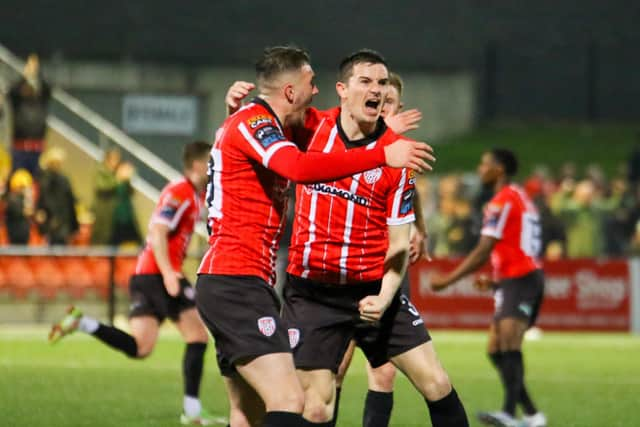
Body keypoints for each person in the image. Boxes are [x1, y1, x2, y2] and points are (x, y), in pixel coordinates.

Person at [195, 46, 434, 427]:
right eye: (311, 83)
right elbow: (299, 168)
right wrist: (380, 155)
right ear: (291, 91)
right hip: (235, 281)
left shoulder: (259, 124)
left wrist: (384, 134)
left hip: (233, 280)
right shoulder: (255, 122)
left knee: (247, 413)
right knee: (290, 399)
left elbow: (332, 131)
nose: (317, 91)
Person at [276, 49, 467, 427]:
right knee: (315, 407)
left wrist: (383, 296)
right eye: (366, 81)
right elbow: (259, 127)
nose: (376, 90)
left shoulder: (399, 160)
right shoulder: (311, 128)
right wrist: (235, 108)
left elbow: (398, 245)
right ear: (342, 90)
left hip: (372, 289)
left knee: (437, 382)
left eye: (381, 83)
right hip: (313, 293)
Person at [48, 141, 226, 426]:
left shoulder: (193, 195)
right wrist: (169, 273)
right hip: (157, 276)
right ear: (196, 165)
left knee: (141, 348)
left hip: (145, 277)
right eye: (209, 162)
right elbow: (156, 231)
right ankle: (192, 412)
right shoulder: (180, 192)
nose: (212, 168)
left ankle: (82, 323)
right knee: (198, 337)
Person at [331, 72, 430, 427]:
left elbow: (406, 189)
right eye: (378, 101)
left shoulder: (400, 155)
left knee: (384, 373)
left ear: (398, 107)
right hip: (344, 268)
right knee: (335, 367)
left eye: (389, 103)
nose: (381, 107)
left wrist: (418, 227)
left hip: (386, 267)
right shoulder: (350, 142)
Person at [430, 149, 547, 427]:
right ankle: (531, 414)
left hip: (521, 278)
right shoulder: (519, 197)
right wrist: (496, 280)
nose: (480, 169)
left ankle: (509, 412)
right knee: (496, 349)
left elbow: (483, 250)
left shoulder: (502, 200)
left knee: (508, 344)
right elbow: (519, 243)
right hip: (516, 277)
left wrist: (448, 280)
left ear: (500, 170)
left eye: (485, 165)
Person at [8, 53, 51, 177]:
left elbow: (47, 90)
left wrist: (37, 72)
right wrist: (25, 76)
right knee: (18, 178)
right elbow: (12, 92)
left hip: (37, 147)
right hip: (20, 148)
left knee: (38, 180)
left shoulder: (40, 102)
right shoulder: (18, 102)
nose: (29, 90)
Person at [35, 147, 79, 245]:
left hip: (64, 220)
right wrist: (52, 216)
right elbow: (44, 200)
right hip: (52, 221)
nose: (57, 165)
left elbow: (70, 200)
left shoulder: (64, 179)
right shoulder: (45, 179)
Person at [91, 148, 121, 245]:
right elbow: (102, 186)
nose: (116, 162)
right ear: (108, 159)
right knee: (101, 232)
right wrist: (118, 180)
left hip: (114, 209)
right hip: (102, 209)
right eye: (114, 159)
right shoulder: (101, 171)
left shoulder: (116, 172)